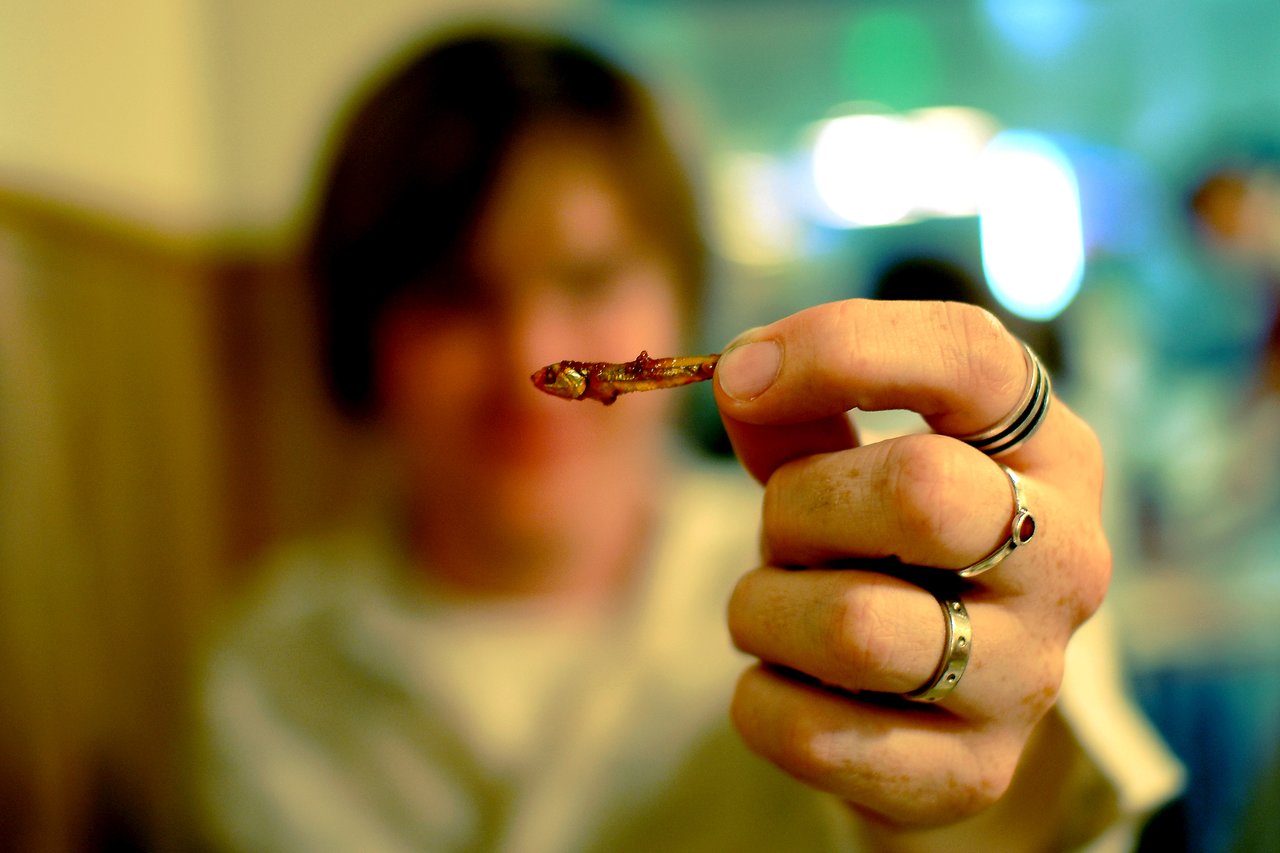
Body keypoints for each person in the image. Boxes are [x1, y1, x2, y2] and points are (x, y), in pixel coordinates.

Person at [188, 25, 1180, 852]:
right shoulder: (269, 675)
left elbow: (1050, 799)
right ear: (363, 330)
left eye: (586, 279)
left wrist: (988, 760)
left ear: (680, 290)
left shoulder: (844, 570)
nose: (527, 359)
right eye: (455, 296)